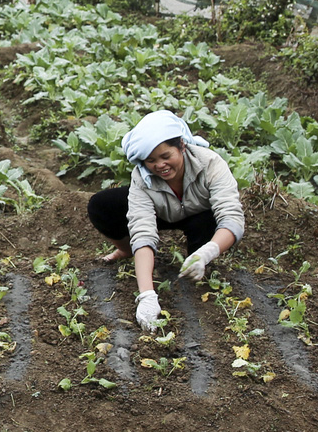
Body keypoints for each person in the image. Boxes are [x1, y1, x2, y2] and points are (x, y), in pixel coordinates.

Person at [87, 110, 245, 331]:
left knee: (200, 255)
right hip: (161, 213)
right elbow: (142, 231)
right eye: (150, 160)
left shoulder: (210, 164)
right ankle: (125, 250)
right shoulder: (142, 177)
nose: (159, 165)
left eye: (165, 156)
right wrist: (147, 295)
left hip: (199, 217)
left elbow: (232, 218)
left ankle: (199, 255)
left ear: (181, 145)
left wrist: (207, 252)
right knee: (102, 205)